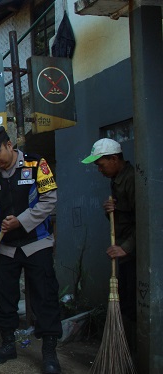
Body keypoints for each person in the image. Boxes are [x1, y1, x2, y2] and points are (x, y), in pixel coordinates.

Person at [0, 127, 62, 374]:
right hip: (5, 249)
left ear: (10, 145)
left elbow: (49, 200)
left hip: (37, 243)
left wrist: (21, 221)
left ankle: (49, 352)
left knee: (44, 297)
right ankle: (7, 345)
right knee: (4, 298)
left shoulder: (36, 164)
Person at [81, 138, 136, 352]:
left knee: (131, 304)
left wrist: (126, 247)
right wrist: (110, 210)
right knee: (127, 301)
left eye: (101, 164)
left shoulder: (131, 179)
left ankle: (132, 351)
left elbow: (145, 219)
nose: (99, 170)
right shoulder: (117, 179)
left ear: (114, 159)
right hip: (126, 250)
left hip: (134, 253)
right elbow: (123, 217)